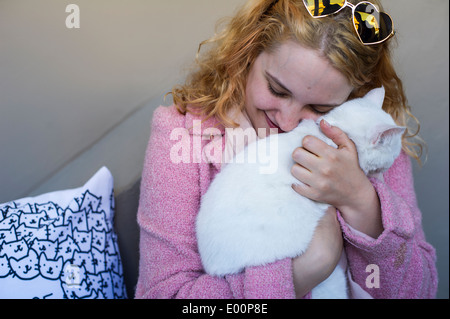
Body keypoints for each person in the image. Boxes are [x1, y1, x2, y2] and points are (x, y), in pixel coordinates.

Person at [135, 0, 437, 299]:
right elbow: (167, 294)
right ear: (247, 53)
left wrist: (362, 203)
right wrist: (300, 273)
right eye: (277, 90)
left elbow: (419, 292)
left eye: (320, 108)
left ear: (353, 96)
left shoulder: (375, 145)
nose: (288, 121)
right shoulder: (182, 136)